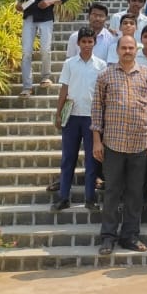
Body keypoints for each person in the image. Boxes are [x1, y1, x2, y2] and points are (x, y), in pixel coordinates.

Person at [91, 35, 147, 255]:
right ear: (117, 50)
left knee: (135, 193)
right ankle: (108, 237)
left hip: (140, 143)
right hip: (113, 144)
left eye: (131, 47)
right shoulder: (105, 75)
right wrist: (96, 142)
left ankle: (130, 235)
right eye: (124, 48)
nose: (128, 51)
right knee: (112, 192)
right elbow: (97, 110)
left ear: (136, 50)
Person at [52, 29, 106, 213]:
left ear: (94, 43)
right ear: (78, 43)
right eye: (83, 41)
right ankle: (63, 197)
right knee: (68, 158)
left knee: (92, 160)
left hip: (92, 117)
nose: (86, 45)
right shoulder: (69, 63)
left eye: (90, 41)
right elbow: (64, 89)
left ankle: (90, 198)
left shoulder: (101, 65)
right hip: (72, 116)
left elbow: (103, 93)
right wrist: (58, 113)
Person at [15, 0, 68, 95]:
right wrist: (19, 4)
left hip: (46, 16)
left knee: (45, 48)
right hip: (29, 15)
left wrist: (50, 2)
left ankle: (46, 76)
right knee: (26, 51)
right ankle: (27, 86)